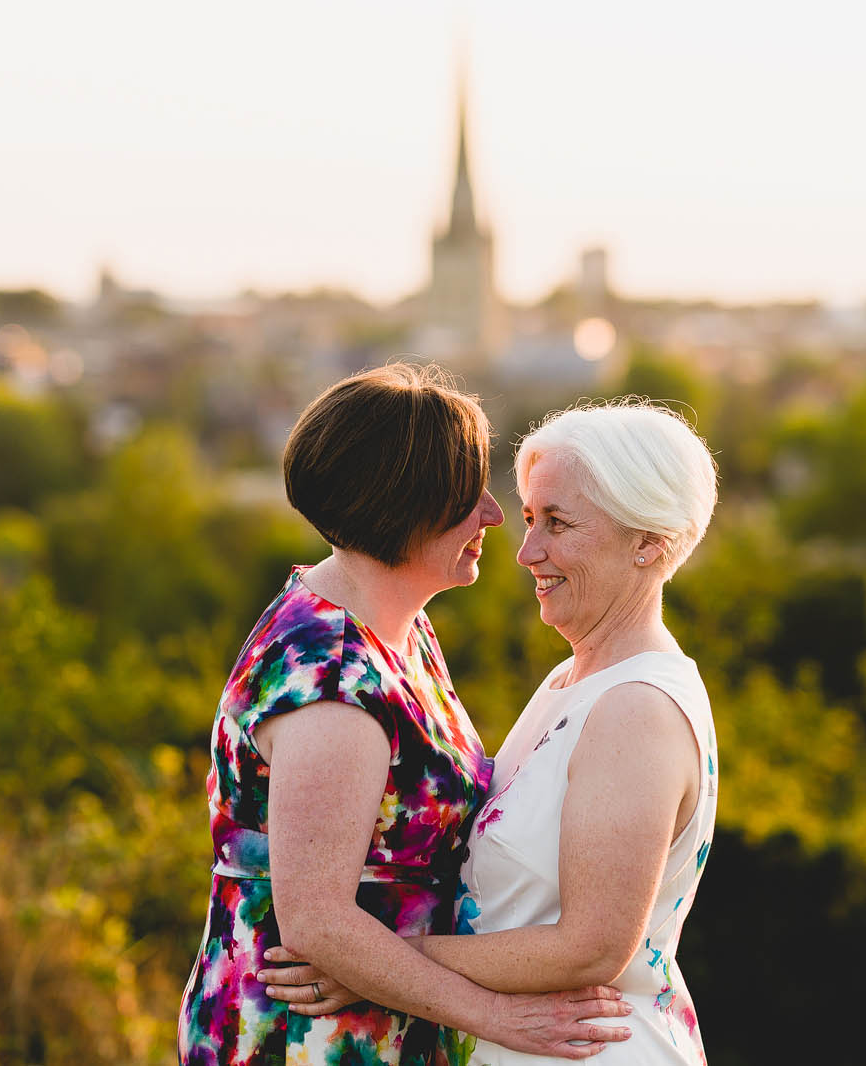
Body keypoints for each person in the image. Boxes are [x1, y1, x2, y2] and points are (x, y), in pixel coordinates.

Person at [177, 365, 632, 1066]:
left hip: (385, 1019)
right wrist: (501, 1017)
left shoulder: (397, 629)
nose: (492, 513)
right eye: (464, 495)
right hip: (307, 1041)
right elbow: (318, 923)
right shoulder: (332, 683)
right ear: (403, 506)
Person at [261, 400, 720, 1066]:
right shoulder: (575, 677)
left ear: (648, 541)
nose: (527, 550)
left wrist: (381, 962)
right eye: (531, 518)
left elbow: (593, 945)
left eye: (558, 524)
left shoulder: (637, 709)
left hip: (590, 1049)